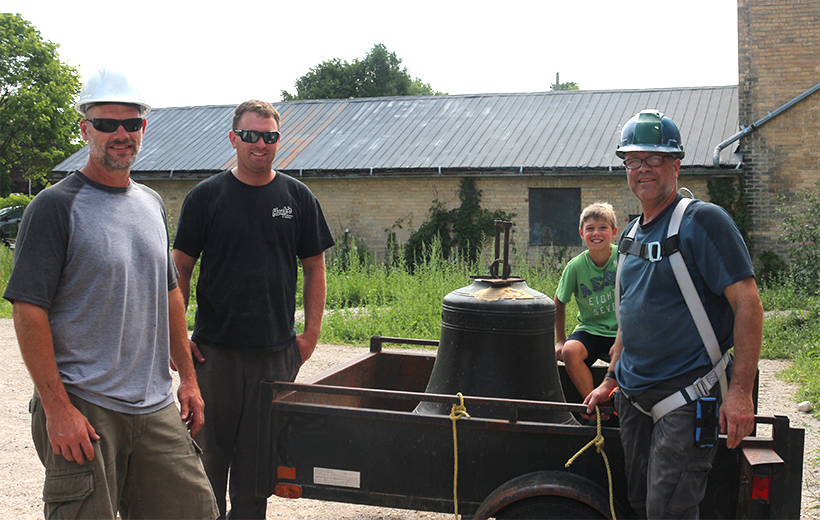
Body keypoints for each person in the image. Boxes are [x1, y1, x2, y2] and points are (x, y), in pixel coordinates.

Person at [3, 68, 218, 519]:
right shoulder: (55, 206)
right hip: (85, 405)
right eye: (105, 124)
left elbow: (170, 295)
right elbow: (28, 310)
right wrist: (57, 408)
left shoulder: (151, 202)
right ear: (85, 129)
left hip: (154, 404)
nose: (120, 134)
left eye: (131, 123)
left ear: (144, 127)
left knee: (195, 510)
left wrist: (189, 380)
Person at [584, 109, 763, 519]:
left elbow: (748, 304)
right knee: (639, 503)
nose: (642, 169)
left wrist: (738, 392)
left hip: (687, 395)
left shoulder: (702, 222)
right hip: (633, 397)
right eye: (633, 160)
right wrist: (611, 378)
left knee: (669, 511)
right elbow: (628, 317)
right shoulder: (629, 235)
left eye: (653, 159)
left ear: (675, 164)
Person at [173, 99, 335, 519]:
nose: (259, 144)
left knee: (256, 471)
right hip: (214, 356)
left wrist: (309, 336)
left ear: (279, 141)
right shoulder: (206, 197)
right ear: (233, 139)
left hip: (275, 355)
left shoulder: (297, 197)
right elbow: (179, 273)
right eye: (249, 135)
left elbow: (315, 267)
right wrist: (176, 342)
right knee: (206, 468)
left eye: (269, 136)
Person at [554, 202, 618, 407]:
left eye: (603, 227)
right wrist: (561, 340)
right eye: (590, 228)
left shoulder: (625, 258)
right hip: (590, 329)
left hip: (621, 332)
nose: (596, 233)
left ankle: (618, 403)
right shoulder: (576, 267)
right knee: (570, 351)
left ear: (614, 232)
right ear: (582, 234)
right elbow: (559, 300)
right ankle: (594, 405)